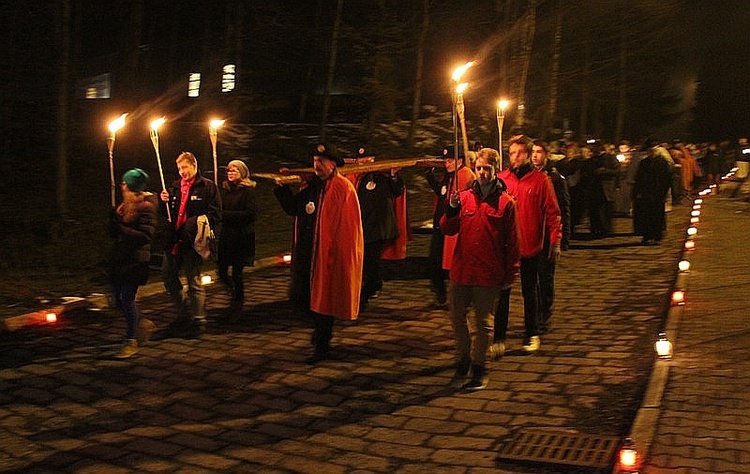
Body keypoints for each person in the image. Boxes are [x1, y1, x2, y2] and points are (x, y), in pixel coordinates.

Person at [274, 142, 364, 363]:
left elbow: (349, 227)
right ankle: (318, 330)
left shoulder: (343, 188)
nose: (317, 166)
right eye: (315, 162)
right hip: (306, 253)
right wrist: (282, 188)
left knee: (324, 301)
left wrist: (339, 255)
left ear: (332, 164)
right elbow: (294, 208)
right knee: (298, 296)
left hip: (327, 254)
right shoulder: (312, 187)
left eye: (321, 162)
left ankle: (322, 344)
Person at [441, 148, 520, 390]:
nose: (482, 173)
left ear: (495, 169)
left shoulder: (506, 203)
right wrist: (452, 208)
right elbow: (448, 228)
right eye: (479, 169)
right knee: (457, 318)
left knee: (484, 323)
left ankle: (479, 366)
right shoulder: (463, 197)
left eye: (487, 168)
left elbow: (513, 243)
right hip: (462, 270)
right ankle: (463, 358)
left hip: (488, 273)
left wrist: (510, 274)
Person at [494, 135, 562, 355]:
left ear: (528, 154)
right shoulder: (501, 179)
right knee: (502, 293)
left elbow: (553, 213)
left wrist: (555, 240)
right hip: (506, 246)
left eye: (520, 153)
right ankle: (499, 336)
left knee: (529, 291)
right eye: (512, 153)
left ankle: (531, 333)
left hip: (530, 245)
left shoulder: (541, 181)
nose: (515, 157)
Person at [159, 151, 222, 336]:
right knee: (168, 276)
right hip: (173, 240)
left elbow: (216, 214)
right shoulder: (174, 187)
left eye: (185, 167)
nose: (182, 172)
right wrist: (162, 202)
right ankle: (182, 311)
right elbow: (168, 214)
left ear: (194, 166)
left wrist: (194, 224)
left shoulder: (207, 187)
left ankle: (199, 318)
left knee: (193, 279)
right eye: (179, 168)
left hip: (193, 241)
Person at [107, 168, 158, 359]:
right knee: (116, 299)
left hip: (136, 260)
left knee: (127, 299)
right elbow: (115, 234)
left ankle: (131, 341)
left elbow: (145, 236)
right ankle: (142, 322)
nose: (122, 186)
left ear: (129, 186)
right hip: (120, 259)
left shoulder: (147, 207)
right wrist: (112, 222)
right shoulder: (124, 205)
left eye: (124, 183)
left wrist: (120, 228)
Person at [346, 147, 404, 310]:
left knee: (370, 262)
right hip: (362, 228)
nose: (364, 163)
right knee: (363, 264)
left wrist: (393, 175)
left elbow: (396, 190)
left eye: (367, 160)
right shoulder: (355, 178)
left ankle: (366, 293)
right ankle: (367, 290)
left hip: (378, 229)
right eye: (361, 160)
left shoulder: (381, 177)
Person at [425, 146, 476, 307]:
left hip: (453, 226)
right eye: (445, 161)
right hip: (441, 224)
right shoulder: (450, 176)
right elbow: (442, 193)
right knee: (435, 261)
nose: (446, 164)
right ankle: (441, 293)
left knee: (451, 262)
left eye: (449, 161)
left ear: (459, 161)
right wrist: (429, 176)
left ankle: (457, 297)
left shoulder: (466, 175)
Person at [531, 140, 571, 333]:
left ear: (546, 155)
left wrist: (562, 238)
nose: (535, 155)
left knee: (545, 277)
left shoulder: (554, 178)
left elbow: (562, 209)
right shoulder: (528, 176)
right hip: (531, 234)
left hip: (548, 235)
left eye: (539, 152)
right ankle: (534, 314)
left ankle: (544, 313)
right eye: (533, 152)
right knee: (532, 280)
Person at [218, 159, 257, 317]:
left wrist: (225, 215)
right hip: (226, 236)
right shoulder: (225, 190)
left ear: (242, 173)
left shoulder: (248, 191)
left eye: (234, 171)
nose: (230, 173)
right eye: (229, 171)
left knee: (237, 272)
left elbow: (250, 214)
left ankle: (238, 302)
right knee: (221, 270)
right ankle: (232, 290)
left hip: (241, 236)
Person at [632, 140, 673, 245]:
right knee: (646, 216)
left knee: (657, 216)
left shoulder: (662, 163)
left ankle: (656, 236)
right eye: (650, 150)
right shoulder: (644, 163)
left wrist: (663, 193)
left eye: (653, 150)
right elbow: (639, 178)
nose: (651, 152)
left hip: (658, 193)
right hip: (646, 193)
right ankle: (646, 235)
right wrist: (636, 192)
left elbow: (667, 179)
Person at [587, 140, 620, 238]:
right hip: (594, 187)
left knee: (605, 210)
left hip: (606, 188)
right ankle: (595, 229)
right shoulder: (592, 159)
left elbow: (618, 171)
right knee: (595, 210)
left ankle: (606, 230)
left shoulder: (610, 158)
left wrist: (605, 171)